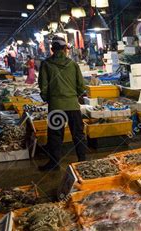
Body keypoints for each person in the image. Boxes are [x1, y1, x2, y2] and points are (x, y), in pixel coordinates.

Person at [38, 35, 87, 171]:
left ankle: (54, 164)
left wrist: (50, 99)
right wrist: (72, 96)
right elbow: (81, 86)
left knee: (55, 136)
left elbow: (43, 87)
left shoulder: (46, 64)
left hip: (56, 107)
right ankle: (82, 161)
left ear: (53, 49)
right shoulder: (73, 64)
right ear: (65, 49)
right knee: (78, 133)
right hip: (72, 105)